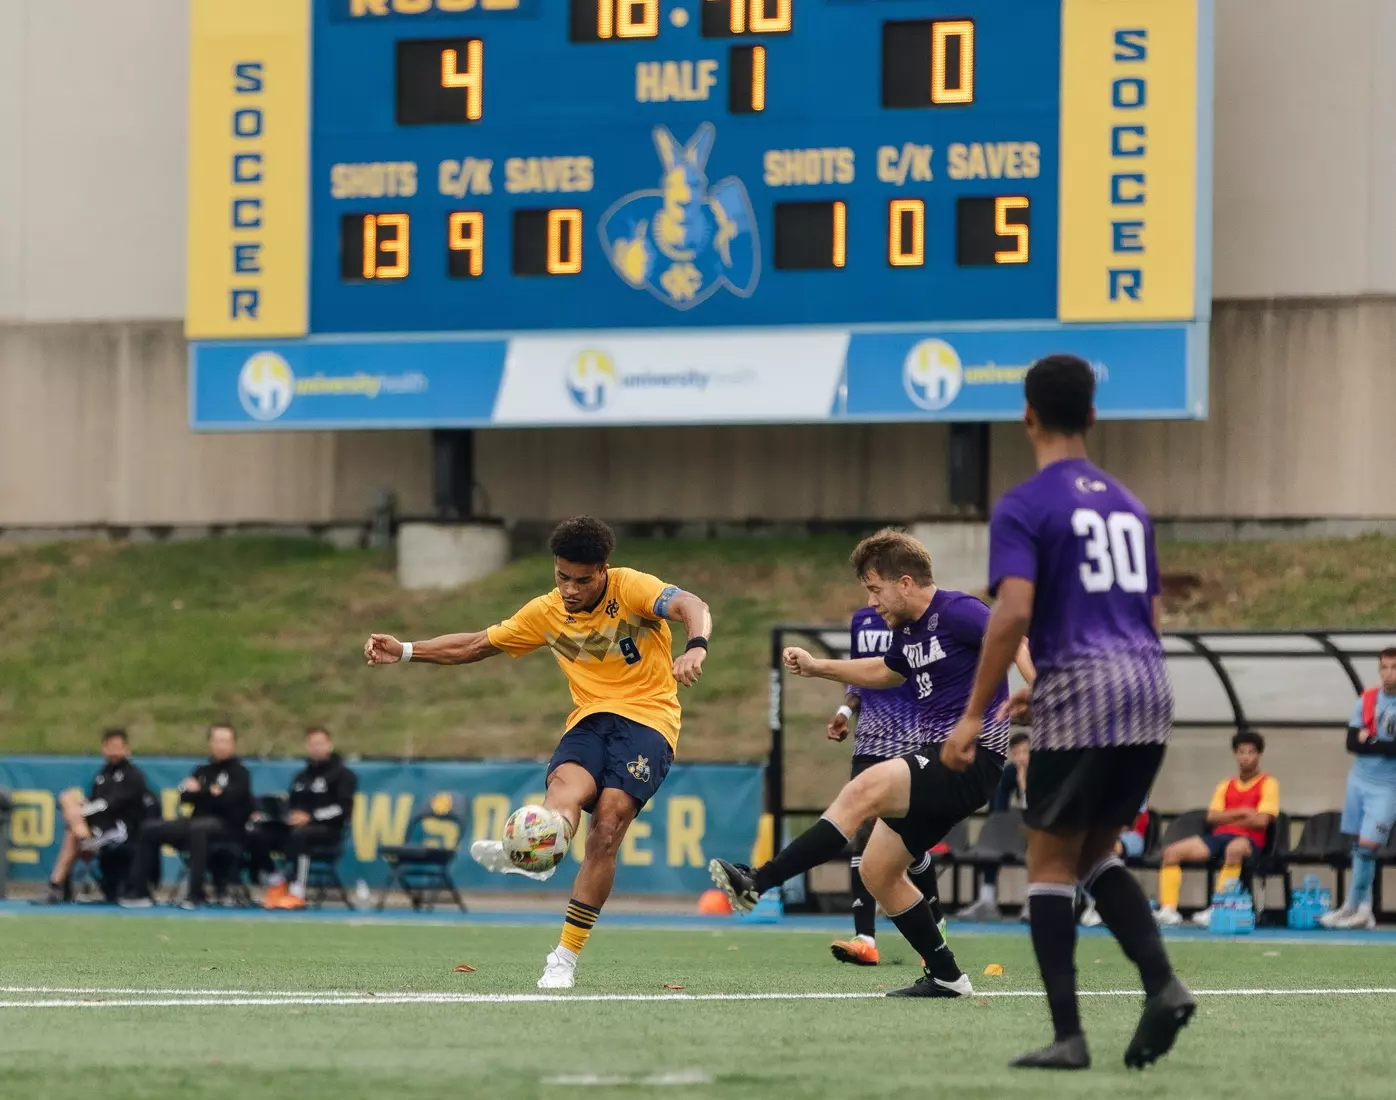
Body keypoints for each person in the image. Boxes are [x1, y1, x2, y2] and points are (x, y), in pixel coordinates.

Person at [940, 353, 1193, 1070]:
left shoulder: (1025, 505)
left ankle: (1069, 1036)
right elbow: (1145, 613)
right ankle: (1161, 984)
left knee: (1047, 859)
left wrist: (970, 716)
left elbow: (1012, 610)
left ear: (1026, 414)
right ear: (1092, 415)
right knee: (1095, 852)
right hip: (1146, 685)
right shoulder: (1130, 504)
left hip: (1083, 687)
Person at [364, 516, 711, 990]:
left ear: (603, 571)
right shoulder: (546, 612)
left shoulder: (631, 589)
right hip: (589, 720)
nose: (569, 589)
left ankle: (563, 956)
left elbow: (693, 604)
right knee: (562, 795)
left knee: (606, 828)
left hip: (649, 722)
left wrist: (695, 647)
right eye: (561, 576)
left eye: (581, 580)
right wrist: (405, 649)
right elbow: (474, 645)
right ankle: (536, 849)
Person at [709, 529, 1034, 998]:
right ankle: (946, 975)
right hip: (943, 765)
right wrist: (821, 667)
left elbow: (1011, 636)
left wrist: (1038, 686)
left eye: (874, 588)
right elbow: (886, 671)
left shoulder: (959, 611)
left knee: (862, 791)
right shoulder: (907, 630)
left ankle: (758, 880)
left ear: (905, 583)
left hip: (970, 757)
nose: (871, 600)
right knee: (878, 871)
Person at [826, 605, 947, 967]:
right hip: (869, 742)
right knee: (860, 831)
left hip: (913, 740)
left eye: (876, 582)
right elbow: (858, 674)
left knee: (906, 844)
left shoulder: (919, 619)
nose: (872, 592)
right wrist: (845, 712)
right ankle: (865, 938)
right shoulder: (860, 619)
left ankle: (936, 925)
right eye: (868, 584)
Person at [121, 723, 255, 910]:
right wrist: (210, 792)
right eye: (216, 740)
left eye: (225, 741)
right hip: (195, 822)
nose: (220, 745)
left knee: (199, 828)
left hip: (228, 829)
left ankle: (195, 894)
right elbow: (185, 796)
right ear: (210, 743)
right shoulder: (202, 771)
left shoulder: (240, 772)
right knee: (150, 828)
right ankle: (140, 891)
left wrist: (202, 791)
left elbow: (230, 800)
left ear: (233, 744)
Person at [1154, 729, 1279, 929]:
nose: (1245, 757)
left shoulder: (1269, 783)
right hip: (1219, 837)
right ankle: (1168, 910)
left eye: (1251, 752)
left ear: (1259, 755)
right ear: (1235, 754)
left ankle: (1218, 907)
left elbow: (1262, 822)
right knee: (1171, 853)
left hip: (1250, 841)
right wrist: (1244, 812)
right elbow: (1212, 817)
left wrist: (1228, 818)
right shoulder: (1225, 784)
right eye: (1241, 752)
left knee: (1234, 850)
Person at [1321, 648, 1396, 929]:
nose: (1389, 673)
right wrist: (1374, 743)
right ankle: (1362, 909)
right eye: (1384, 667)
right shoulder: (1367, 699)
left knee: (1368, 845)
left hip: (1388, 787)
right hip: (1358, 782)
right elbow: (1352, 742)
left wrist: (1372, 741)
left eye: (1394, 667)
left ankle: (1352, 905)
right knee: (1357, 846)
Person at [248, 727, 358, 911]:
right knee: (257, 832)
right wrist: (275, 815)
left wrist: (311, 817)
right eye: (312, 744)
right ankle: (277, 882)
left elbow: (343, 808)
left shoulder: (343, 775)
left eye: (320, 743)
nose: (316, 748)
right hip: (295, 828)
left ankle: (297, 893)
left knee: (301, 834)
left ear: (329, 745)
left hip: (328, 830)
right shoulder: (301, 776)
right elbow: (292, 805)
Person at [41, 729, 150, 903]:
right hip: (99, 828)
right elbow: (95, 800)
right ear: (104, 749)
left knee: (72, 834)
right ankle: (82, 837)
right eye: (110, 746)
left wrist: (81, 812)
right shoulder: (103, 774)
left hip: (121, 830)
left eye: (118, 746)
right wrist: (79, 808)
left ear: (126, 748)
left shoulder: (133, 775)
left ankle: (56, 884)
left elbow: (110, 804)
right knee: (68, 797)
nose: (114, 750)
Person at [959, 730, 1031, 922]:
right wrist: (1000, 828)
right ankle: (986, 900)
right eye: (1016, 753)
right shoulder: (1010, 771)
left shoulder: (1042, 769)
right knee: (992, 841)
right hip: (1018, 831)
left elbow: (1034, 808)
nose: (1020, 758)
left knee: (1037, 846)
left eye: (1025, 752)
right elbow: (999, 808)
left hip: (1043, 829)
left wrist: (1023, 780)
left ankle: (1032, 902)